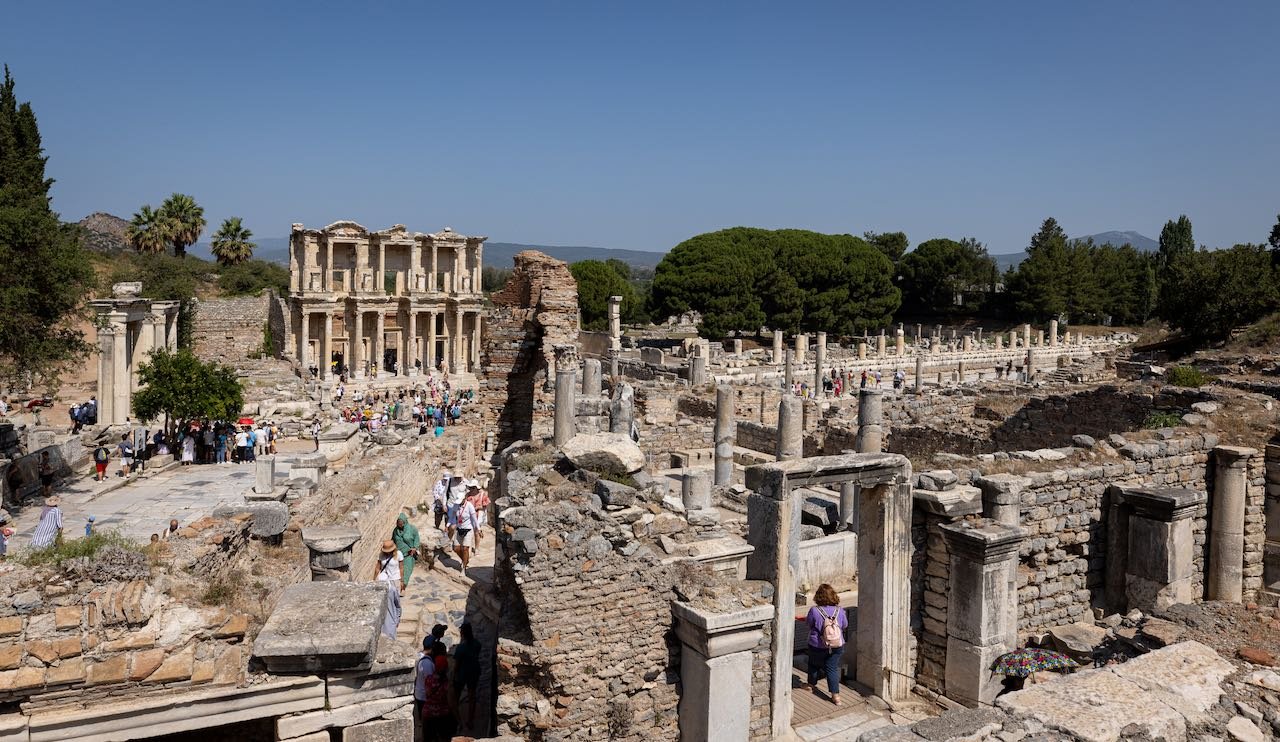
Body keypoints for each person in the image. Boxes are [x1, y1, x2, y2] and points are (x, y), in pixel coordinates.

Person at [803, 583, 849, 706]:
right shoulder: (840, 611)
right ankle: (836, 696)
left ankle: (811, 685)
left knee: (813, 664)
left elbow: (809, 624)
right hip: (837, 645)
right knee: (832, 668)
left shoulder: (814, 610)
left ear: (818, 597)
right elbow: (844, 625)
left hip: (817, 644)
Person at [453, 622, 482, 731]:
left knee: (455, 697)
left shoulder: (461, 648)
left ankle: (458, 720)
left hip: (462, 674)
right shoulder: (477, 644)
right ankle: (470, 720)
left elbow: (457, 664)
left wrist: (454, 675)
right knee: (472, 696)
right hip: (474, 672)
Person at [420, 652, 456, 741]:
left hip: (428, 714)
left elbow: (427, 694)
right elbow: (450, 701)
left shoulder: (429, 679)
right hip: (442, 715)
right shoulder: (447, 684)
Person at [376, 540, 404, 639]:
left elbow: (401, 568)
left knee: (394, 600)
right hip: (385, 579)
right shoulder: (381, 555)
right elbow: (378, 568)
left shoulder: (398, 554)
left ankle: (395, 619)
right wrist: (374, 580)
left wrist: (401, 580)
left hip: (395, 579)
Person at [392, 513, 421, 586]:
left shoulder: (412, 529)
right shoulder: (395, 531)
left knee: (406, 571)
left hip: (408, 555)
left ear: (405, 522)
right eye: (398, 524)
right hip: (398, 555)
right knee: (398, 572)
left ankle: (403, 587)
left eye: (401, 524)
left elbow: (417, 539)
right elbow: (393, 540)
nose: (400, 525)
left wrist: (414, 547)